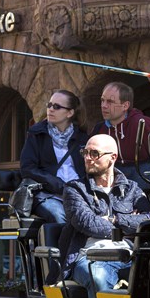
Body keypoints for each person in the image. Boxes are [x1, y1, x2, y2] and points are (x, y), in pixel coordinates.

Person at [59, 134, 150, 298]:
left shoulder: (132, 189)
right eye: (85, 152)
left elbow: (148, 220)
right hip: (89, 257)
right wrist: (129, 223)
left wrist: (114, 218)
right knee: (98, 276)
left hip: (129, 256)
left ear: (113, 158)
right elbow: (87, 223)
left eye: (94, 153)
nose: (88, 158)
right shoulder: (74, 189)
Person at [20, 89, 89, 223]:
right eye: (49, 105)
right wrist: (55, 183)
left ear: (70, 113)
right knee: (60, 216)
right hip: (47, 194)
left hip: (78, 194)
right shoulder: (36, 134)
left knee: (88, 218)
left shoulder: (82, 138)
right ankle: (61, 245)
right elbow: (27, 168)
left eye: (56, 107)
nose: (51, 109)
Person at [90, 82, 150, 190]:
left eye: (110, 101)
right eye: (102, 100)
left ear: (125, 105)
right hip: (113, 178)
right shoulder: (99, 129)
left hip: (143, 179)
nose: (103, 106)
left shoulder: (143, 124)